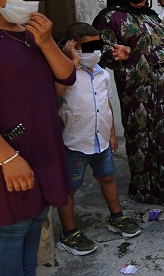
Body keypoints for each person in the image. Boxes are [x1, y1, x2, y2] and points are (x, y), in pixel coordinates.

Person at [0, 0, 76, 275]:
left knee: (36, 220)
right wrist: (7, 159)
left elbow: (67, 77)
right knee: (13, 229)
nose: (30, 3)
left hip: (44, 145)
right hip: (8, 153)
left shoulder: (32, 33)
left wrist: (47, 42)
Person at [96, 0, 164, 203]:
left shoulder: (152, 16)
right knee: (144, 136)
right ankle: (148, 188)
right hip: (140, 91)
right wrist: (114, 52)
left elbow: (163, 44)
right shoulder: (110, 18)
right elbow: (96, 51)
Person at [55, 23, 141, 256]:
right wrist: (70, 63)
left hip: (100, 140)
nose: (94, 51)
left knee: (107, 178)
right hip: (74, 142)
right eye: (88, 46)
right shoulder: (63, 72)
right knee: (69, 189)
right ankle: (69, 233)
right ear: (72, 46)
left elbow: (106, 105)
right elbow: (55, 94)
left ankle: (117, 217)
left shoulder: (102, 73)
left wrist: (112, 134)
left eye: (97, 46)